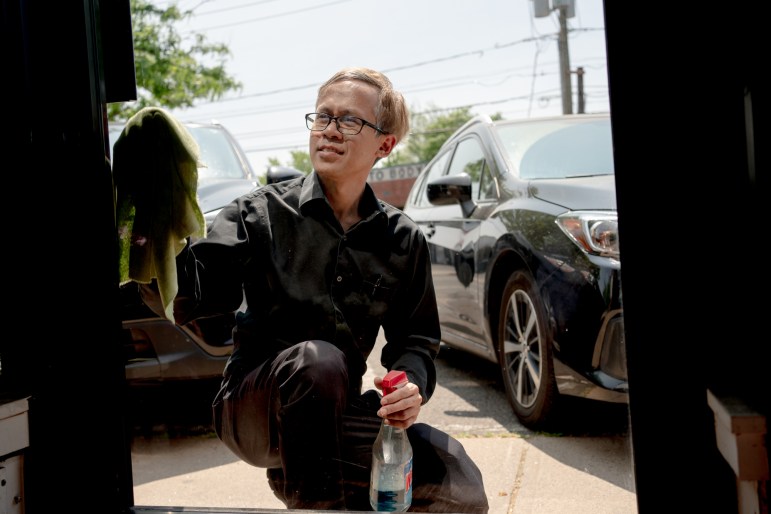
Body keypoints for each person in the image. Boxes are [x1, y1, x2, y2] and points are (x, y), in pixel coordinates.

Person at [140, 66, 489, 512]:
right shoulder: (258, 213)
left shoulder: (403, 239)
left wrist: (411, 386)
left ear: (384, 144)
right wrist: (153, 233)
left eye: (349, 121)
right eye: (323, 116)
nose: (330, 131)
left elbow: (416, 342)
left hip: (335, 413)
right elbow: (191, 302)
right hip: (254, 408)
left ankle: (318, 485)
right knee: (318, 360)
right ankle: (318, 502)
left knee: (459, 482)